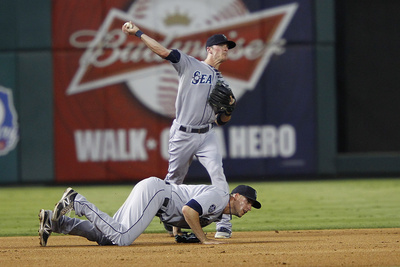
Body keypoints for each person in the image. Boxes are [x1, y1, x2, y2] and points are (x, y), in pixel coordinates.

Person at [122, 22, 237, 238]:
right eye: (222, 46)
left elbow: (222, 121)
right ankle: (175, 226)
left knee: (218, 174)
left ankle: (224, 225)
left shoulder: (223, 84)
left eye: (227, 47)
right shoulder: (189, 64)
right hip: (183, 133)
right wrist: (138, 33)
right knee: (174, 181)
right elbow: (163, 51)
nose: (226, 49)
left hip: (207, 135)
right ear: (209, 50)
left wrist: (230, 109)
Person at [38, 177, 261, 247]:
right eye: (248, 202)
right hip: (156, 194)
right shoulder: (219, 197)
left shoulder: (219, 210)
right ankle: (77, 201)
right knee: (122, 238)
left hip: (157, 195)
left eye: (252, 205)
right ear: (236, 196)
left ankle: (55, 222)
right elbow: (188, 209)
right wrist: (204, 240)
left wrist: (177, 234)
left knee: (106, 237)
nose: (249, 207)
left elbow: (185, 207)